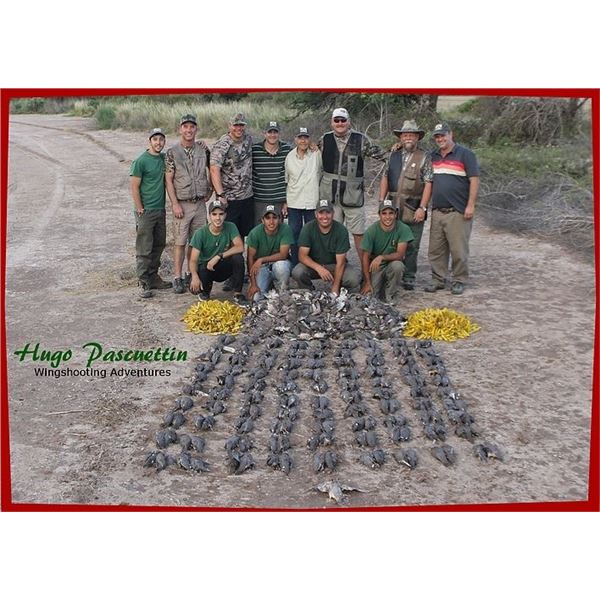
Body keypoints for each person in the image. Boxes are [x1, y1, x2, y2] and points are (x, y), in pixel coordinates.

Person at [318, 107, 384, 262]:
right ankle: (336, 268)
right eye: (337, 120)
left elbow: (384, 156)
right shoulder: (324, 140)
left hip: (353, 196)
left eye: (343, 120)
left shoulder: (361, 140)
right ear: (331, 122)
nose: (340, 123)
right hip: (330, 197)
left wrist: (397, 148)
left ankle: (365, 271)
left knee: (359, 235)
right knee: (332, 234)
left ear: (349, 122)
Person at [424, 122, 480, 295]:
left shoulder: (466, 154)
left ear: (450, 134)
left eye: (443, 135)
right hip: (438, 211)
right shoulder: (432, 156)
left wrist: (470, 205)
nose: (440, 139)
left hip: (458, 211)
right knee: (436, 249)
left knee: (458, 250)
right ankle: (438, 280)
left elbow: (474, 180)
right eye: (437, 136)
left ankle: (459, 280)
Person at [379, 120, 433, 290]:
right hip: (393, 206)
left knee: (412, 244)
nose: (408, 137)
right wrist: (381, 202)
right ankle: (390, 273)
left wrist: (422, 208)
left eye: (411, 135)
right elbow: (385, 177)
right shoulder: (393, 155)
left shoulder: (424, 157)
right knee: (391, 241)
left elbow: (429, 183)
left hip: (413, 206)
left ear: (417, 137)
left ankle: (409, 276)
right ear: (400, 137)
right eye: (405, 135)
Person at [165, 114, 212, 294]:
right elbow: (168, 180)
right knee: (180, 242)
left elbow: (212, 169)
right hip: (182, 204)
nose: (189, 130)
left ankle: (191, 273)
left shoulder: (203, 150)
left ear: (196, 129)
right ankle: (177, 277)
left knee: (197, 242)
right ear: (180, 129)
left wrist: (210, 189)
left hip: (199, 204)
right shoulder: (172, 153)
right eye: (185, 127)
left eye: (192, 127)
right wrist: (174, 204)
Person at [129, 127, 171, 299]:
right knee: (144, 247)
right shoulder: (140, 161)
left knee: (159, 244)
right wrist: (140, 208)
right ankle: (144, 281)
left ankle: (154, 277)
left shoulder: (163, 158)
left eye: (161, 139)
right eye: (155, 139)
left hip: (160, 209)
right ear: (149, 141)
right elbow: (134, 186)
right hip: (146, 211)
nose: (158, 143)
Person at [292, 199, 361, 295]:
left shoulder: (341, 230)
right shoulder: (308, 228)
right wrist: (319, 268)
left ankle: (341, 290)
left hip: (334, 265)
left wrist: (335, 287)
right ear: (316, 214)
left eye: (328, 213)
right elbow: (302, 256)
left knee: (353, 278)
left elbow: (341, 263)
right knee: (297, 272)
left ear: (333, 213)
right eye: (321, 213)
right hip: (314, 265)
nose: (324, 217)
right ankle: (308, 291)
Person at [188, 199, 246, 303]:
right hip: (207, 268)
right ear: (209, 216)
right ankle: (205, 292)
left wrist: (219, 256)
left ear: (225, 215)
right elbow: (193, 260)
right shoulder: (200, 233)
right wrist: (194, 276)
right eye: (214, 214)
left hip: (222, 264)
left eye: (221, 214)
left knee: (238, 258)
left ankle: (238, 293)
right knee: (195, 287)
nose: (218, 218)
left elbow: (240, 247)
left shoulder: (231, 226)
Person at [360, 199, 414, 303]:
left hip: (391, 263)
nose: (387, 217)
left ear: (396, 214)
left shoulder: (403, 228)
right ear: (379, 215)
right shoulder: (371, 231)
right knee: (371, 296)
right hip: (376, 266)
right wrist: (367, 282)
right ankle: (377, 285)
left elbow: (400, 255)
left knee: (398, 266)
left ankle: (390, 295)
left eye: (391, 213)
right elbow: (365, 257)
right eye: (384, 213)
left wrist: (382, 257)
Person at [210, 112, 254, 239]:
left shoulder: (248, 140)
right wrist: (221, 195)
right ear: (229, 126)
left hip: (247, 197)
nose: (239, 128)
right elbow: (214, 169)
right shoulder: (222, 144)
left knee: (246, 235)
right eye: (235, 125)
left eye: (241, 125)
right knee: (229, 236)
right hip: (229, 200)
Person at [285, 126, 322, 266]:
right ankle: (296, 264)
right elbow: (287, 180)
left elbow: (323, 171)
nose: (303, 141)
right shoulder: (289, 157)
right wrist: (285, 202)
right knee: (294, 233)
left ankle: (312, 264)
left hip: (312, 201)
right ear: (295, 139)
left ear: (309, 139)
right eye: (300, 138)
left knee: (312, 233)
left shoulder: (316, 154)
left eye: (305, 137)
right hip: (294, 201)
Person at [245, 204, 294, 302]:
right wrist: (253, 284)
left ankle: (283, 291)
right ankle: (269, 285)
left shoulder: (285, 229)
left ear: (280, 219)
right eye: (267, 218)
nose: (271, 222)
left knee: (281, 267)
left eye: (274, 218)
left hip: (279, 263)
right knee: (255, 298)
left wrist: (261, 259)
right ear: (262, 220)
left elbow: (283, 255)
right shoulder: (255, 233)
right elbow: (250, 259)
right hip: (261, 267)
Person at [252, 121, 291, 225]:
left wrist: (286, 201)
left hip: (279, 200)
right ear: (264, 133)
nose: (272, 135)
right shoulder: (254, 150)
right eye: (270, 132)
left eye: (275, 132)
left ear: (279, 133)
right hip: (259, 200)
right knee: (259, 229)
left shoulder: (287, 150)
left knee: (277, 229)